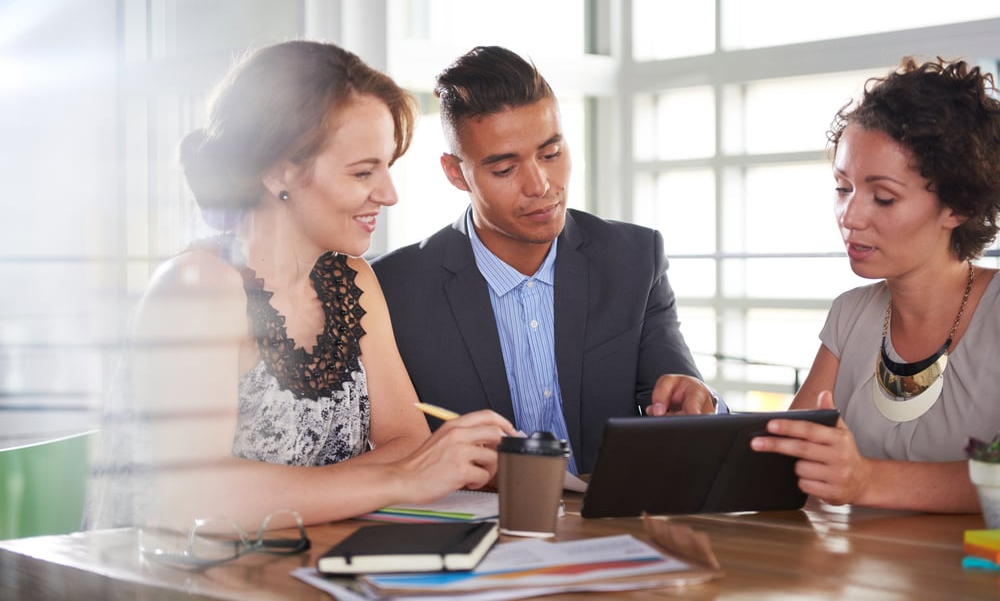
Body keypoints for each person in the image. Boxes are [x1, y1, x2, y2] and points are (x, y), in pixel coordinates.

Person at [86, 41, 516, 531]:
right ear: (279, 171)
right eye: (362, 172)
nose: (388, 194)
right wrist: (398, 481)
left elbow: (409, 445)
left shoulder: (353, 281)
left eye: (387, 167)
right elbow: (192, 498)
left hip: (297, 567)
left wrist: (398, 471)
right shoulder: (197, 289)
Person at [371, 45, 722, 475]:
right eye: (504, 169)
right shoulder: (393, 289)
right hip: (476, 530)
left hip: (608, 526)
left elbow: (682, 399)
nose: (540, 185)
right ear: (456, 172)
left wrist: (699, 401)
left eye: (551, 154)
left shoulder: (633, 259)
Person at [751, 57, 1000, 513]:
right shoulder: (850, 314)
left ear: (958, 206)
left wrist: (866, 481)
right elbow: (785, 466)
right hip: (865, 580)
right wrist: (700, 431)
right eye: (842, 187)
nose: (850, 217)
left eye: (883, 197)